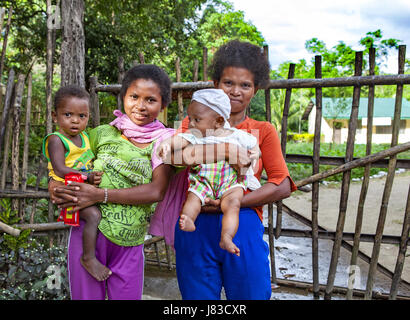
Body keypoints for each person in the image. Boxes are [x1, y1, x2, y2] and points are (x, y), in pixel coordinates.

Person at [172, 40, 297, 300]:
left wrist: (229, 203)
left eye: (245, 85)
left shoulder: (262, 130)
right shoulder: (192, 121)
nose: (235, 92)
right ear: (216, 83)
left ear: (256, 89)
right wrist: (226, 151)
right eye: (228, 83)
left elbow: (282, 184)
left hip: (243, 226)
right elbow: (175, 156)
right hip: (194, 226)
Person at [48, 64, 175, 300]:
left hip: (129, 240)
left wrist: (100, 195)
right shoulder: (102, 133)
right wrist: (54, 185)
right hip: (88, 234)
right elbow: (70, 157)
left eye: (150, 100)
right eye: (134, 97)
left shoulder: (166, 142)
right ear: (123, 98)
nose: (140, 105)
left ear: (163, 105)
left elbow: (157, 191)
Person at [158, 88, 260, 256]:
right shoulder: (196, 134)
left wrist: (255, 153)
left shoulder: (238, 135)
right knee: (193, 198)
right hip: (203, 181)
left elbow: (254, 146)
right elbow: (178, 141)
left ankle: (227, 236)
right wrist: (167, 143)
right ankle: (189, 218)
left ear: (218, 121)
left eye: (196, 119)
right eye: (190, 118)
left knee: (233, 204)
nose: (190, 123)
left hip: (230, 182)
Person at [42, 85, 110, 282]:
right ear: (55, 116)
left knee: (101, 212)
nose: (75, 120)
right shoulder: (57, 140)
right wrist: (86, 176)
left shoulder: (86, 138)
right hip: (66, 188)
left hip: (80, 187)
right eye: (68, 114)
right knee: (94, 215)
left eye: (82, 116)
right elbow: (60, 169)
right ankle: (88, 258)